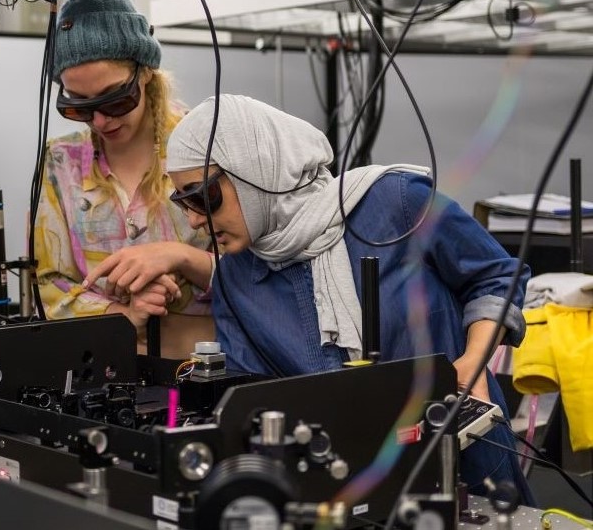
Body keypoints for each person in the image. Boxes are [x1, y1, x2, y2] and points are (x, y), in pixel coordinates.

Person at [159, 93, 533, 502]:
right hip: (349, 485)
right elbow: (254, 398)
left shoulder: (394, 201)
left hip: (465, 461)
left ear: (255, 170)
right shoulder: (236, 276)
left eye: (202, 197)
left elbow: (496, 276)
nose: (194, 219)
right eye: (184, 203)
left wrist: (473, 362)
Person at [34, 0, 215, 358]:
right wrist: (119, 313)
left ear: (146, 74)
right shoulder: (62, 163)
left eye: (115, 100)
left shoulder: (206, 145)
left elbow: (259, 275)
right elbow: (48, 282)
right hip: (105, 368)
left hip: (208, 366)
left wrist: (181, 259)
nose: (101, 121)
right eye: (80, 107)